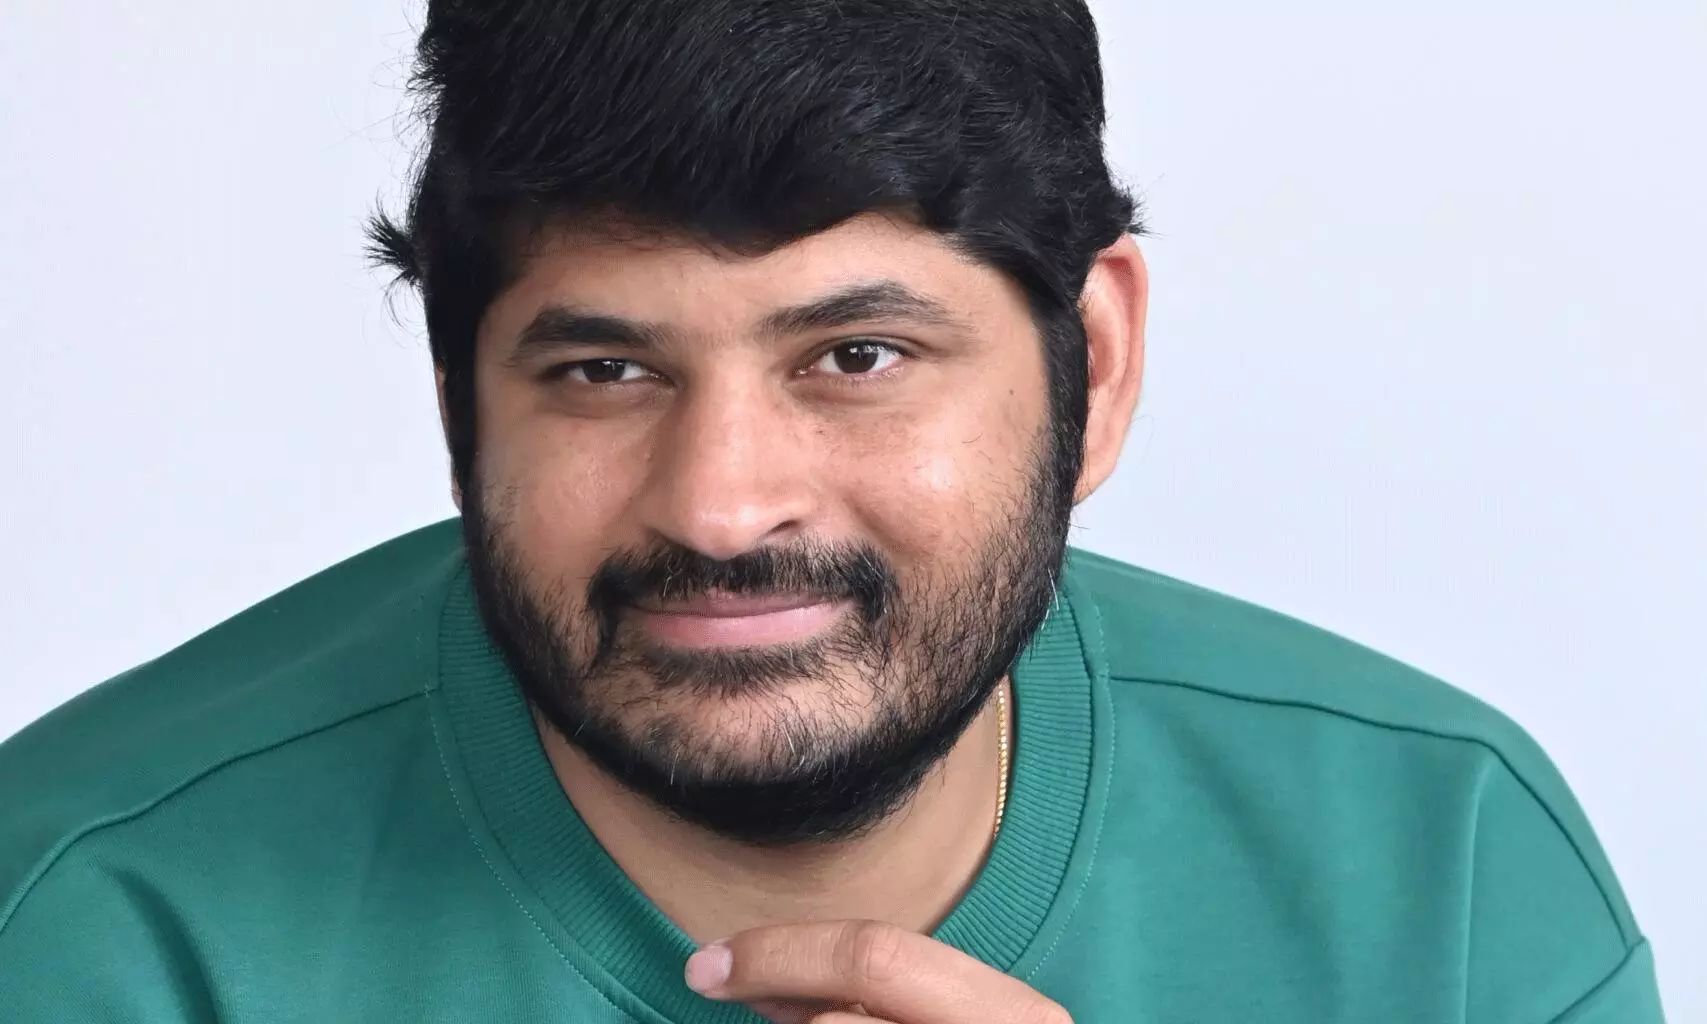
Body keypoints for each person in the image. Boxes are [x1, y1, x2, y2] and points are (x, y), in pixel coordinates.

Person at [0, 1, 1666, 1021]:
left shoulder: (1442, 863)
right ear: (459, 410)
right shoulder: (86, 919)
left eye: (856, 356)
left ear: (1092, 363)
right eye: (601, 372)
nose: (723, 507)